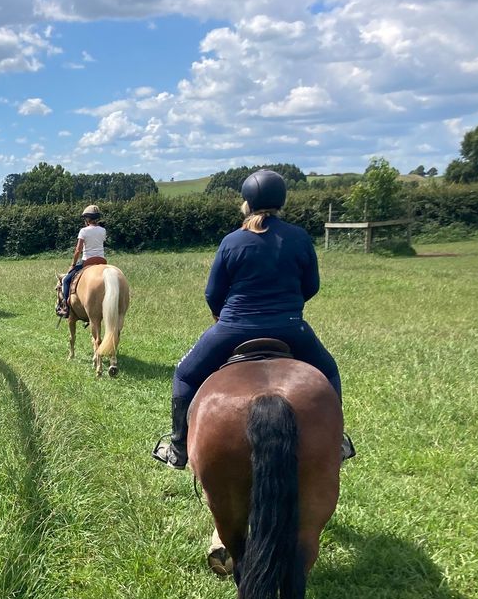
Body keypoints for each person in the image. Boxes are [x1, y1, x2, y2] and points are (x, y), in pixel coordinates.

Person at [151, 169, 354, 469]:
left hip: (233, 328)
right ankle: (337, 442)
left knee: (183, 374)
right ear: (281, 201)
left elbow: (212, 292)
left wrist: (221, 317)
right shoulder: (299, 237)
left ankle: (179, 448)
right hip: (291, 328)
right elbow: (312, 286)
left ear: (246, 202)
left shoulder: (232, 241)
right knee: (329, 371)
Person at [57, 205, 107, 317]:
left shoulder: (83, 231)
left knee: (66, 280)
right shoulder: (103, 230)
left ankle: (65, 306)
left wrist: (73, 264)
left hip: (87, 262)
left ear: (87, 219)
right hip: (102, 261)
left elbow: (78, 249)